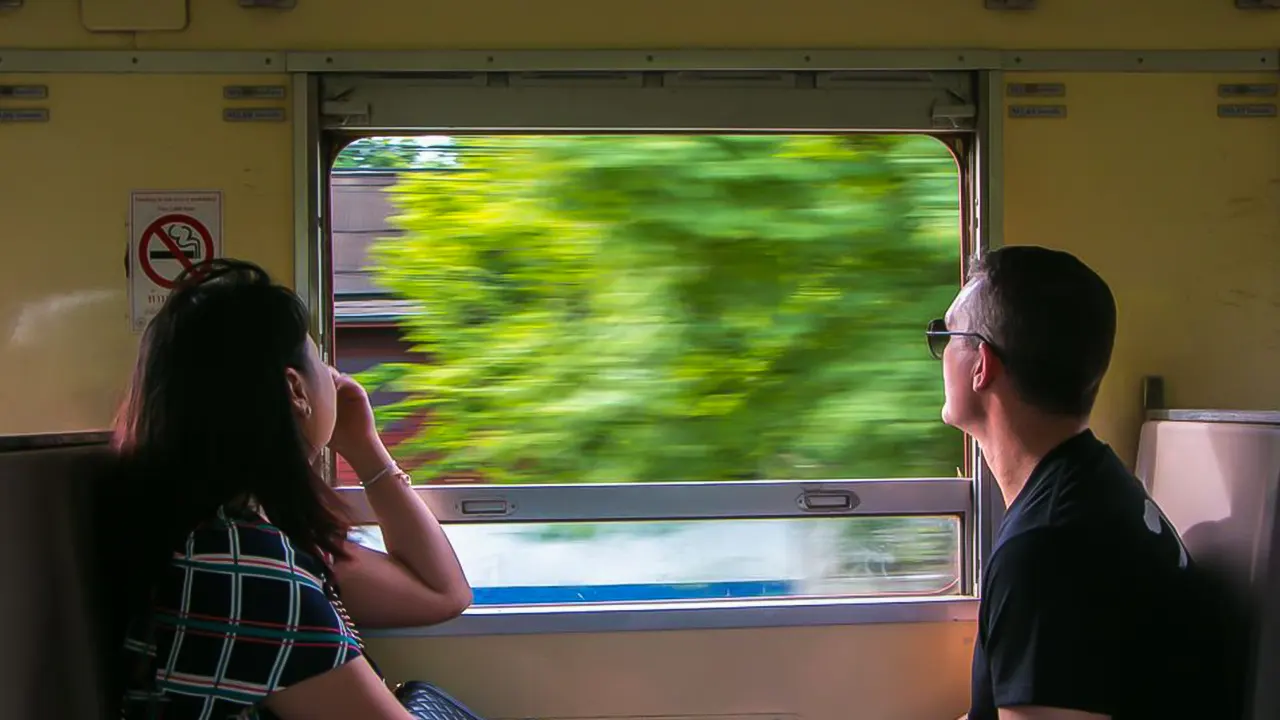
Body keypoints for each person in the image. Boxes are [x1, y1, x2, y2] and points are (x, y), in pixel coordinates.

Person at [102, 259, 473, 719]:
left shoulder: (236, 531)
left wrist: (365, 448)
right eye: (320, 359)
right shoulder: (243, 565)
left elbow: (442, 594)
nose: (334, 377)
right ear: (295, 389)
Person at [928, 247, 1236, 720]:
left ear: (981, 365)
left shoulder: (1046, 550)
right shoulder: (1094, 482)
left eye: (947, 334)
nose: (940, 347)